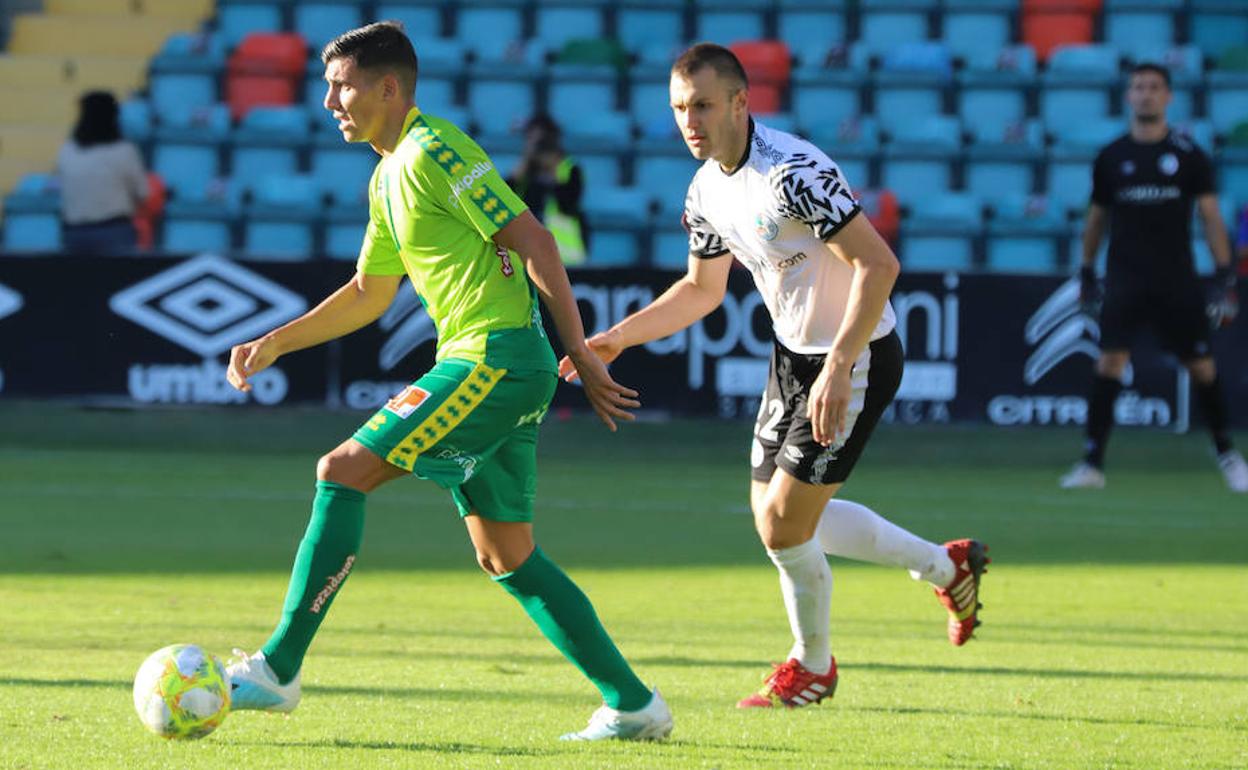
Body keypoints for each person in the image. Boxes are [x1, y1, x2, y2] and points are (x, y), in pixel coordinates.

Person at [222, 22, 672, 741]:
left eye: (343, 85)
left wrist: (581, 351)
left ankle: (277, 670)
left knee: (342, 471)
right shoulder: (386, 172)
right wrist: (274, 342)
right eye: (329, 86)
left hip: (493, 358)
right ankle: (633, 704)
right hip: (493, 363)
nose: (331, 100)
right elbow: (372, 290)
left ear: (390, 87)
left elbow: (535, 239)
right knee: (507, 554)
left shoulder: (436, 148)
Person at [558, 43, 988, 709]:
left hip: (858, 353)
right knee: (778, 520)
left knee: (785, 528)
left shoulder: (792, 173)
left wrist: (840, 365)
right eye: (678, 108)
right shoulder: (705, 189)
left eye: (701, 104)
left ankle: (813, 666)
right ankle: (945, 566)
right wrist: (615, 338)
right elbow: (701, 291)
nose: (689, 120)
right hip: (793, 358)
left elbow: (878, 266)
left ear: (738, 102)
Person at [1059, 63, 1248, 493]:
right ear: (1129, 97)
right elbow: (1097, 219)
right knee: (1109, 363)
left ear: (1168, 97)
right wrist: (1087, 270)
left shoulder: (1188, 156)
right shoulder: (1112, 157)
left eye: (1154, 87)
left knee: (1202, 367)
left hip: (1177, 279)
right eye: (1139, 87)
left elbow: (1211, 216)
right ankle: (1092, 463)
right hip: (1125, 278)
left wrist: (1224, 275)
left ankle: (1229, 456)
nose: (1146, 94)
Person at [57, 90, 148, 255]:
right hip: (114, 231)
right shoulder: (124, 151)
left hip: (74, 234)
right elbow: (142, 193)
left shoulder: (68, 150)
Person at [507, 114, 589, 265]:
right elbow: (505, 197)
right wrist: (524, 163)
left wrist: (552, 172)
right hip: (528, 252)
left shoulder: (570, 169)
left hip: (565, 255)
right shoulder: (526, 171)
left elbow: (568, 204)